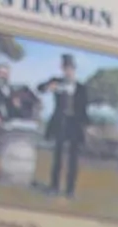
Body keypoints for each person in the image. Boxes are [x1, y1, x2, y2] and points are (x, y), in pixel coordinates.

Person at [37, 53, 89, 198]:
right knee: (57, 157)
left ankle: (70, 190)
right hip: (60, 123)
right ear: (62, 69)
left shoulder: (81, 87)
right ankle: (54, 187)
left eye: (70, 69)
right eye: (65, 68)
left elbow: (84, 109)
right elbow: (39, 88)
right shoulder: (56, 82)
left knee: (73, 159)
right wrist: (49, 87)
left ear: (74, 70)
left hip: (74, 125)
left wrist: (86, 126)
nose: (68, 71)